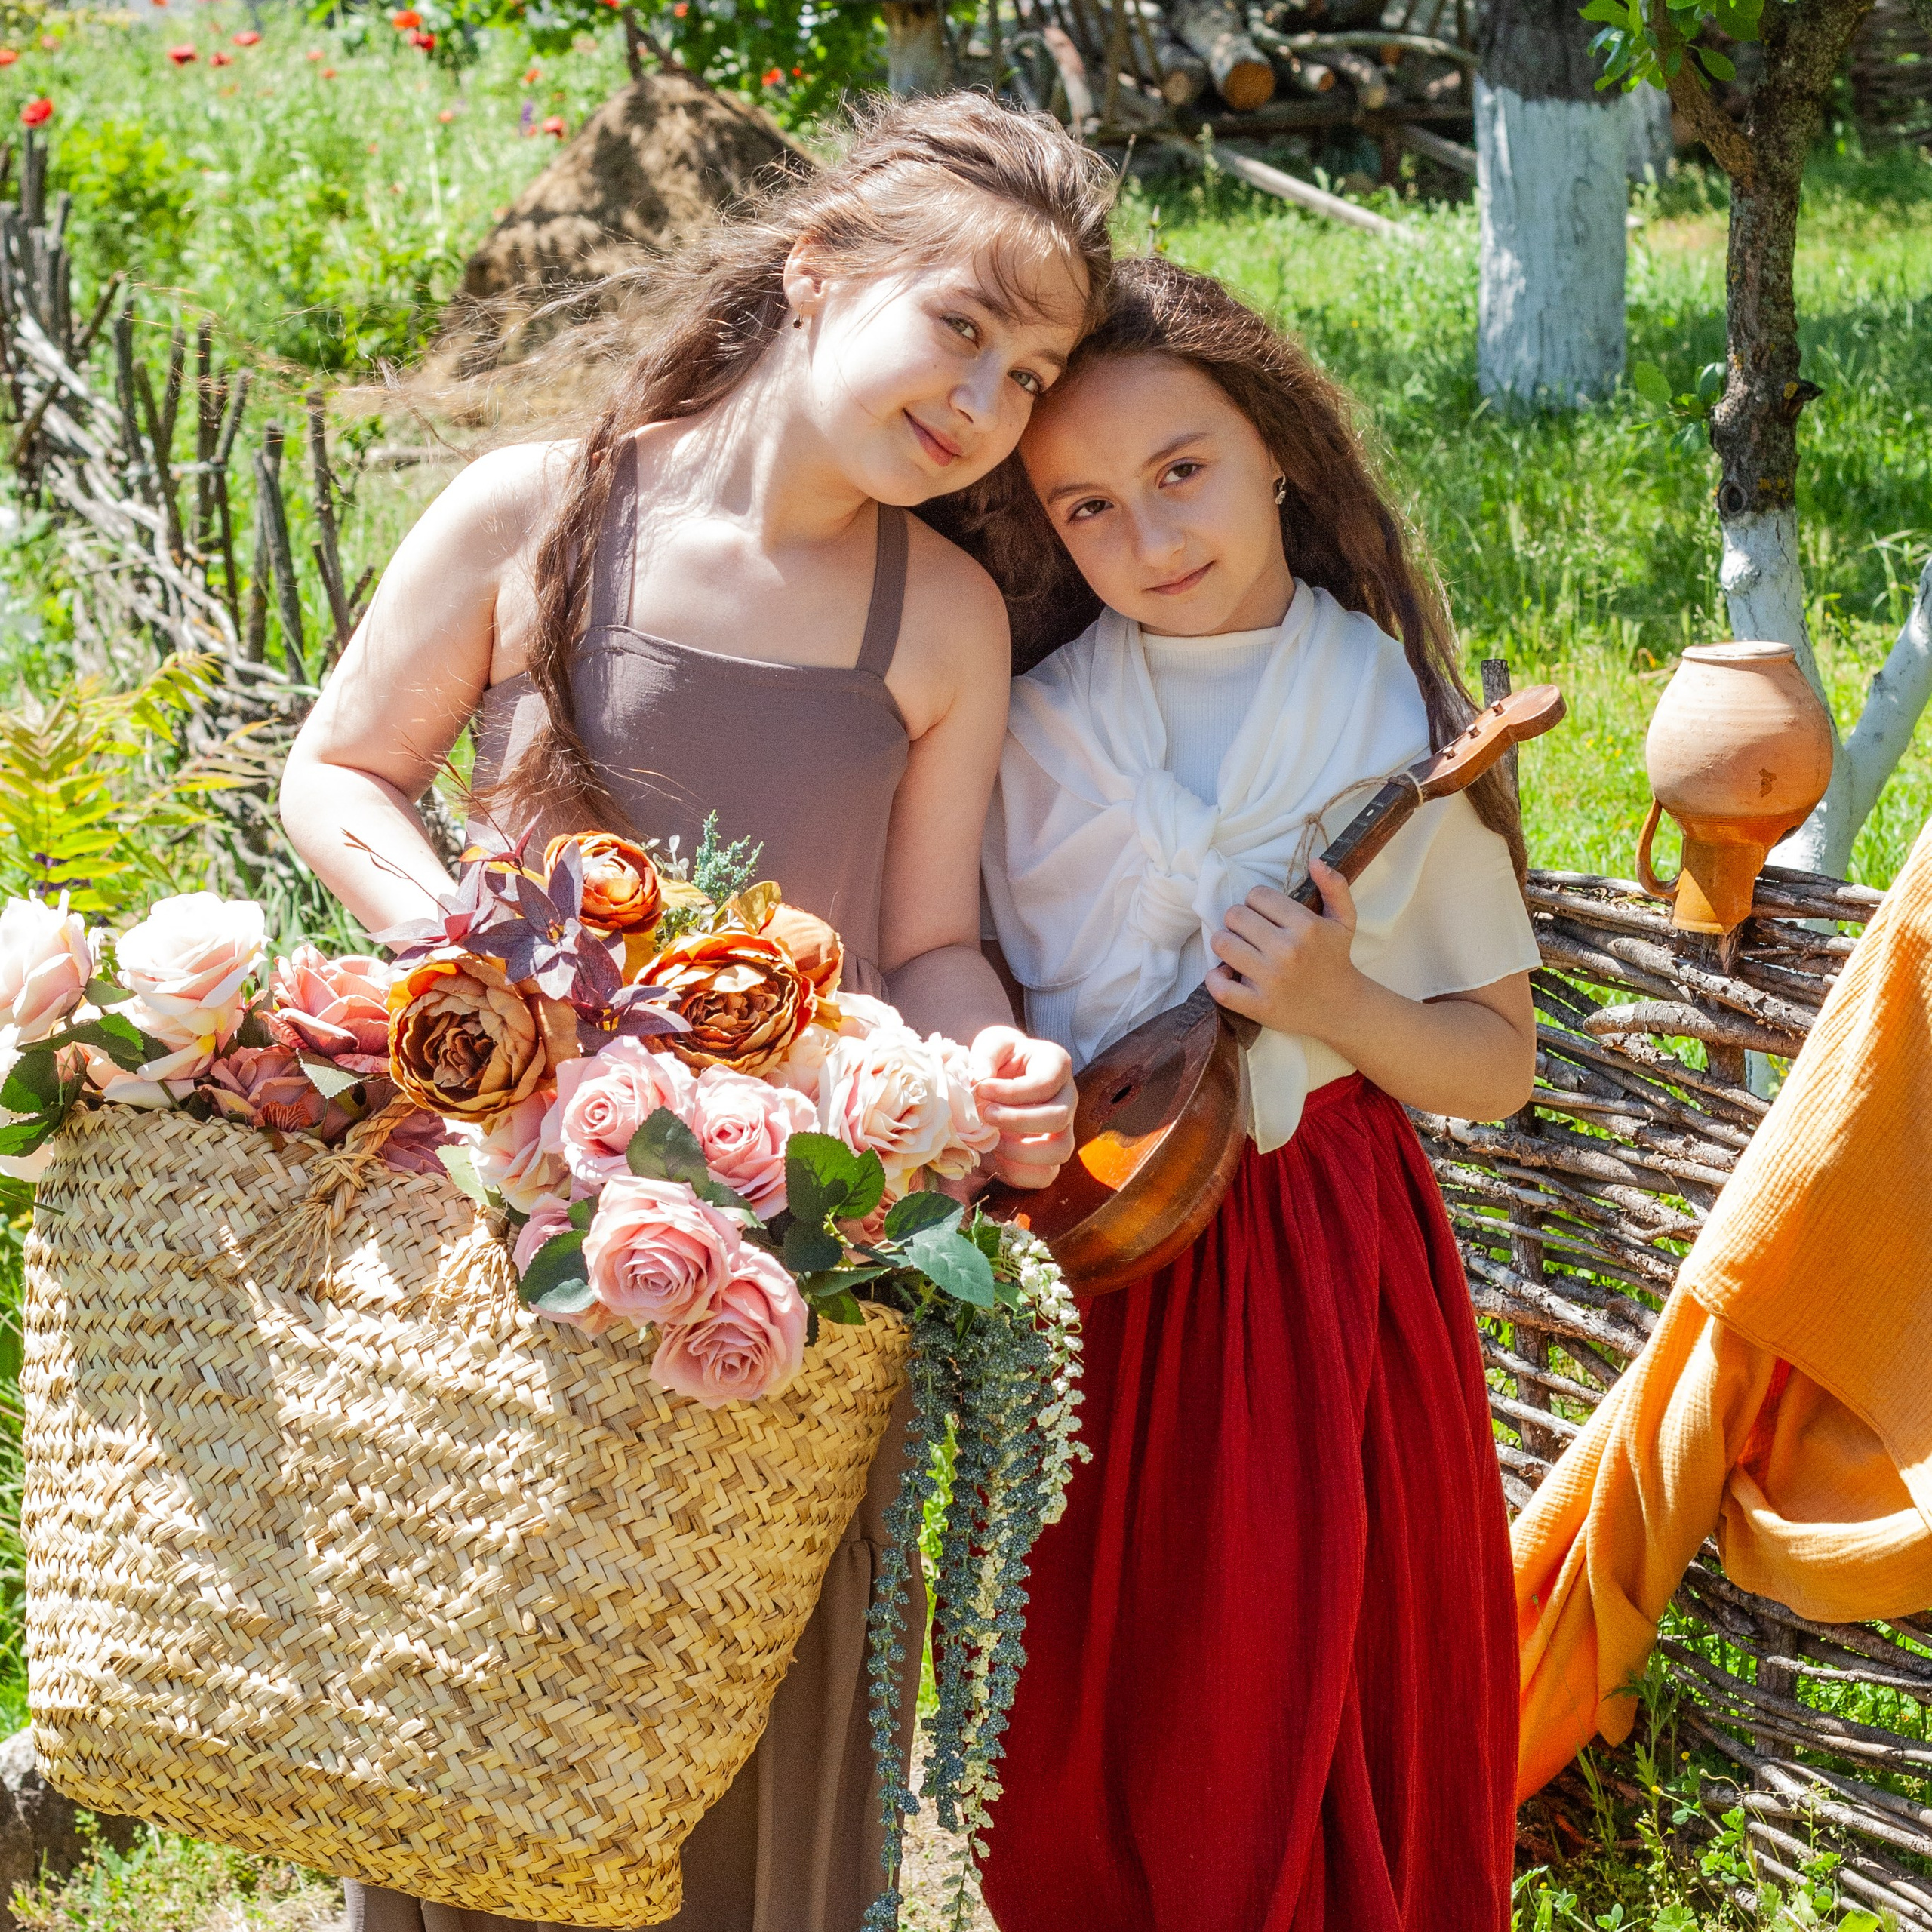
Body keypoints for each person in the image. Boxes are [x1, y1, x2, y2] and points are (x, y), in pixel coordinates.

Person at [279, 92, 1112, 1932]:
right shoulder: (544, 503)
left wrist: (986, 1054)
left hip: (775, 1256)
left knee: (743, 1697)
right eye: (961, 325)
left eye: (1031, 371)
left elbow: (926, 935)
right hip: (504, 1220)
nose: (987, 396)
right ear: (816, 274)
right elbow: (339, 766)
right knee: (484, 1697)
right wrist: (466, 950)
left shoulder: (942, 615)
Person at [971, 256, 1541, 1930]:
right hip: (1105, 1275)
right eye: (1083, 506)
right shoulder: (1030, 729)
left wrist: (1335, 997)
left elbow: (1496, 1068)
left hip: (1318, 1270)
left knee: (1309, 1677)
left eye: (1180, 471)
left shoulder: (1380, 707)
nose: (1147, 538)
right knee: (1118, 1704)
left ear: (1274, 446)